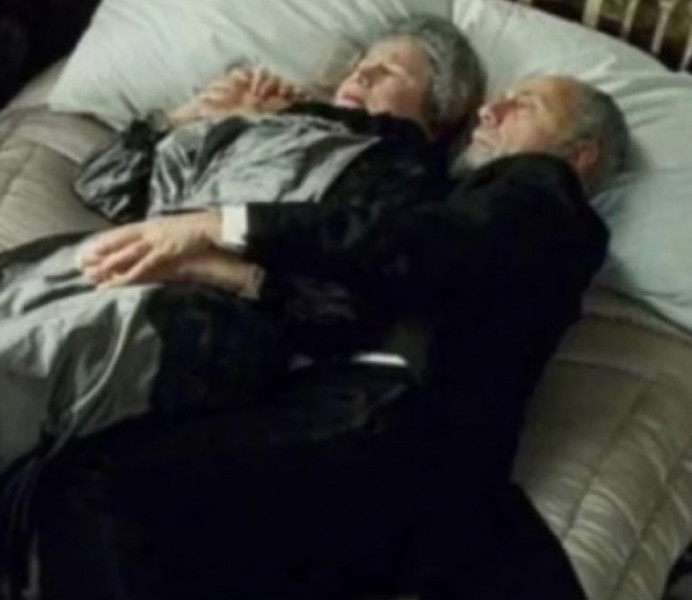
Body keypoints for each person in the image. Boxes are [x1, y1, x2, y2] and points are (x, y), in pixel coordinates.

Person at [69, 73, 630, 600]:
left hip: (396, 428)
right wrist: (227, 272)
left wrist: (224, 223)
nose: (491, 108)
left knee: (101, 485)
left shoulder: (547, 195)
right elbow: (362, 299)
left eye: (524, 104)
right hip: (354, 428)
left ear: (580, 155)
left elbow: (417, 245)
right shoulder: (457, 208)